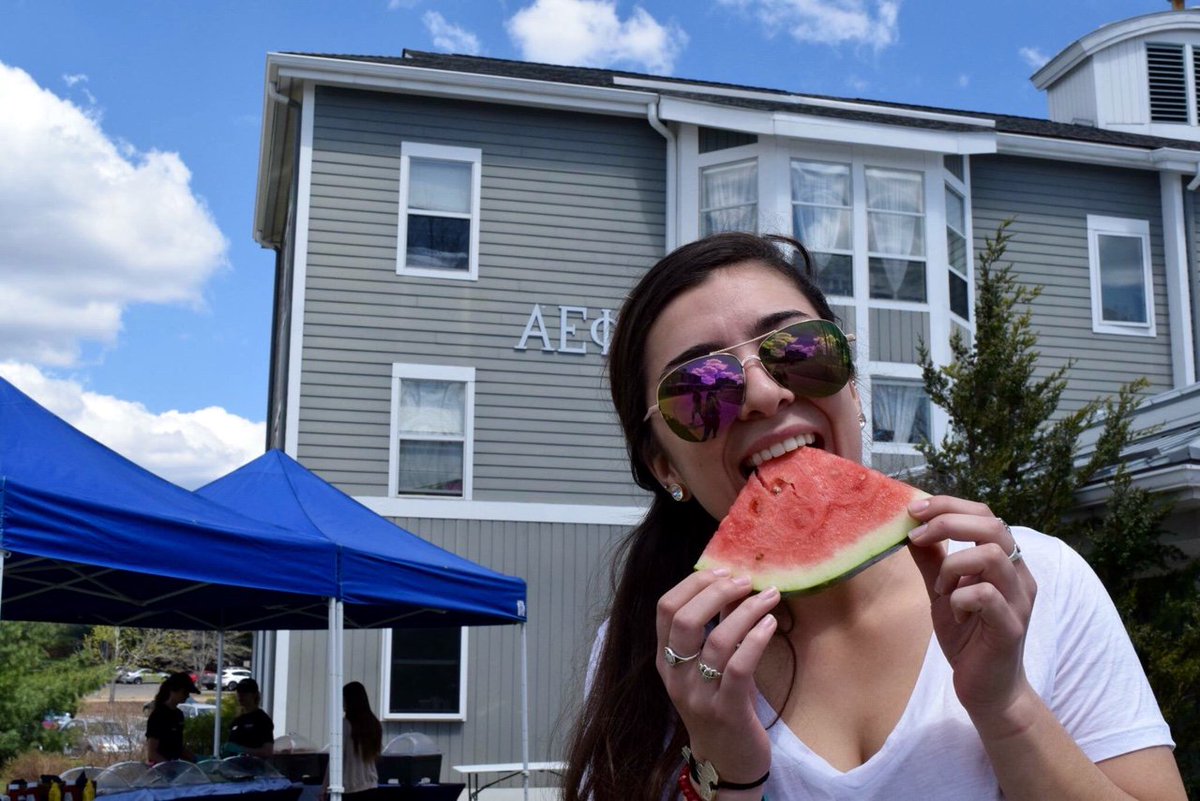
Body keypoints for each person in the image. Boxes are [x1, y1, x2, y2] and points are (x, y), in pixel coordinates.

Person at [563, 232, 1186, 801]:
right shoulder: (663, 656)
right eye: (699, 389)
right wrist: (724, 773)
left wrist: (1007, 704)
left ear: (853, 387)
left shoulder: (1027, 580)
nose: (763, 394)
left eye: (801, 349)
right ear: (665, 465)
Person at [324, 682, 382, 801]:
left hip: (350, 786)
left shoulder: (344, 726)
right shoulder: (374, 724)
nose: (342, 703)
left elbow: (336, 760)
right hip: (371, 785)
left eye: (344, 699)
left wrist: (325, 786)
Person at [145, 672, 199, 764]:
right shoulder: (158, 715)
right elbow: (152, 753)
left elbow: (177, 747)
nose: (187, 696)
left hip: (174, 767)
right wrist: (169, 768)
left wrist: (195, 759)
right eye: (185, 692)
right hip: (158, 770)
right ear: (173, 690)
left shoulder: (179, 715)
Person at [224, 678, 275, 758]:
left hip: (254, 768)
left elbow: (268, 751)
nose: (240, 695)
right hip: (233, 767)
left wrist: (242, 750)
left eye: (245, 692)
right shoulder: (237, 719)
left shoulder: (262, 719)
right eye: (239, 692)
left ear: (254, 695)